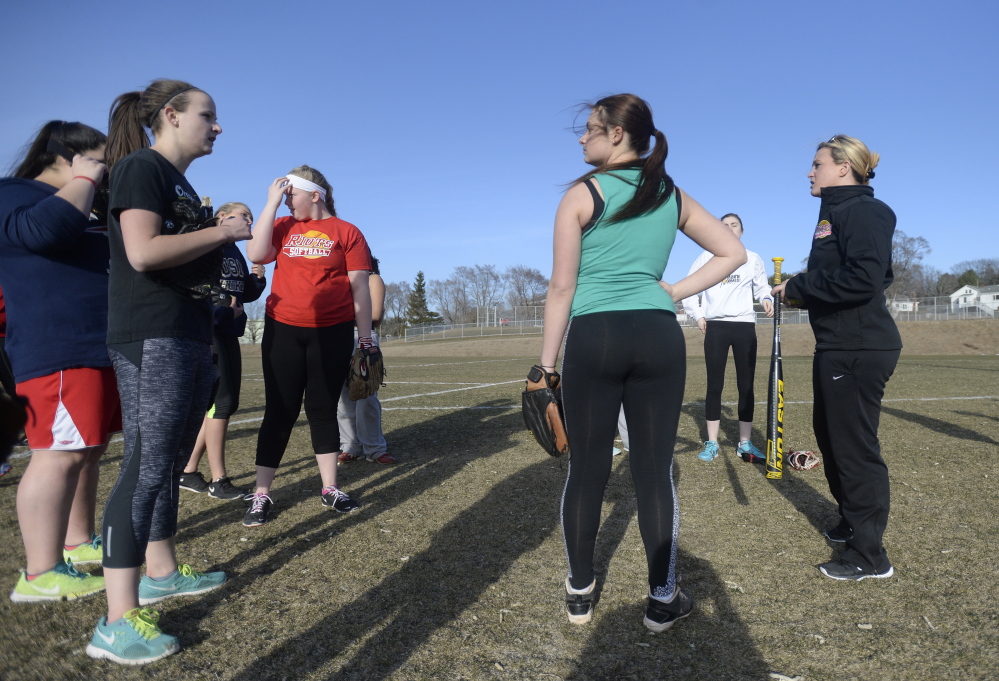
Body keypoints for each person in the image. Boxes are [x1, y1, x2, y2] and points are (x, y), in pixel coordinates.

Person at [540, 94, 746, 631]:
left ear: (615, 135)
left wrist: (545, 366)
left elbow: (562, 286)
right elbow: (733, 252)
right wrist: (672, 290)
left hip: (596, 334)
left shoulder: (581, 195)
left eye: (588, 129)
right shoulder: (668, 194)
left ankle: (580, 592)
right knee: (653, 472)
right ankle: (662, 598)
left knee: (587, 469)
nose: (581, 139)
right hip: (657, 333)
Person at [87, 79, 253, 665]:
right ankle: (115, 622)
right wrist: (223, 231)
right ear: (171, 115)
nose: (217, 125)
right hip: (149, 334)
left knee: (167, 459)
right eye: (208, 114)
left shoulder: (180, 182)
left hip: (186, 333)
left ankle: (160, 570)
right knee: (147, 465)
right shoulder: (140, 167)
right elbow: (142, 253)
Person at [772, 135, 901, 581]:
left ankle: (870, 556)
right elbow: (876, 272)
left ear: (843, 167)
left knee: (854, 449)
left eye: (816, 164)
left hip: (860, 347)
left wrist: (801, 288)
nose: (810, 172)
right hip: (836, 344)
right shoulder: (833, 212)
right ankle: (852, 522)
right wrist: (798, 288)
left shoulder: (866, 210)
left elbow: (866, 277)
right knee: (831, 440)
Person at [0, 121, 115, 604]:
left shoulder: (87, 202)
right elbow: (41, 232)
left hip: (96, 346)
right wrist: (85, 181)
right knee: (59, 453)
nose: (107, 172)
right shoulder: (13, 193)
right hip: (57, 346)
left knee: (87, 450)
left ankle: (77, 541)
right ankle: (41, 573)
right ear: (68, 155)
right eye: (100, 161)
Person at [243, 166, 374, 527]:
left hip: (331, 331)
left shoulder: (347, 232)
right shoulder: (284, 225)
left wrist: (366, 338)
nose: (286, 200)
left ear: (315, 195)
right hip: (282, 329)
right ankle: (261, 494)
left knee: (321, 408)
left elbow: (359, 288)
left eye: (290, 195)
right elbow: (256, 250)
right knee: (279, 410)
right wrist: (270, 203)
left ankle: (330, 488)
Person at [179, 202, 266, 500]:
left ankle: (188, 471)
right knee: (221, 404)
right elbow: (197, 290)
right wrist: (221, 312)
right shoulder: (209, 243)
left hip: (229, 332)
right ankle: (219, 479)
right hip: (212, 333)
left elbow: (244, 293)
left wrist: (257, 279)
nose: (248, 221)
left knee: (222, 405)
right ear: (221, 218)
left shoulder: (235, 252)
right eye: (242, 215)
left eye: (250, 217)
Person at [681, 213, 774, 462]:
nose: (729, 228)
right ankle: (711, 443)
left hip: (744, 326)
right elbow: (690, 289)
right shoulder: (705, 257)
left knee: (746, 385)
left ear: (742, 231)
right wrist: (698, 316)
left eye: (734, 225)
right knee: (715, 385)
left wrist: (766, 298)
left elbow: (762, 286)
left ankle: (745, 443)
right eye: (724, 226)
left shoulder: (752, 258)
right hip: (716, 327)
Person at [337, 255, 394, 465]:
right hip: (336, 337)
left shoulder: (372, 278)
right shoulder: (340, 278)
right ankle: (351, 446)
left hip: (361, 338)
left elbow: (375, 316)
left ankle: (375, 449)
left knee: (366, 397)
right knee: (342, 399)